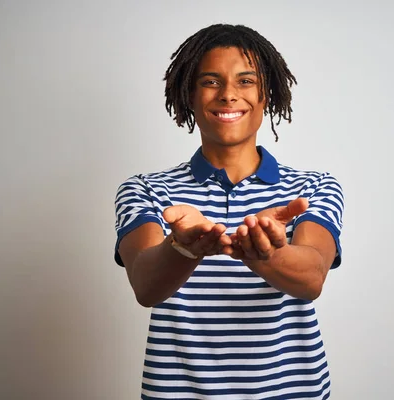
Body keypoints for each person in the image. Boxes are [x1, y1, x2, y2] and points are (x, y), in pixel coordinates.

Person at [114, 23, 344, 399]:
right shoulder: (147, 190)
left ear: (267, 94)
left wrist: (266, 253)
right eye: (210, 81)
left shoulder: (313, 188)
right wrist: (183, 248)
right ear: (189, 94)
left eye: (245, 81)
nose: (228, 95)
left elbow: (312, 278)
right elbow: (145, 285)